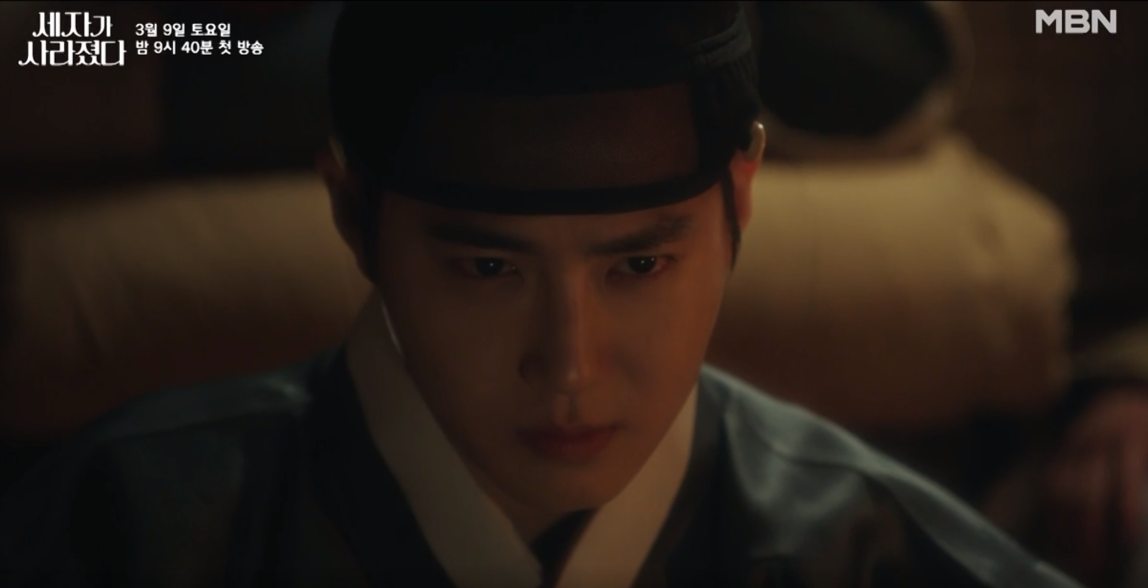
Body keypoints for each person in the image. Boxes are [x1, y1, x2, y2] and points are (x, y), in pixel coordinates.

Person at [0, 3, 1080, 587]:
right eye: (487, 268)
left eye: (638, 266)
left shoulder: (876, 552)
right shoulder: (120, 527)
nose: (569, 365)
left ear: (740, 199)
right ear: (353, 213)